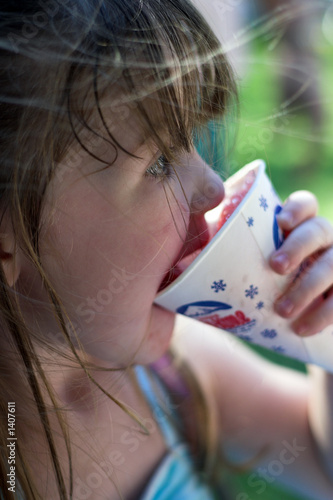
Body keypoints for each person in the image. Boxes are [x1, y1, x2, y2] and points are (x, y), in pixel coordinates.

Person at [0, 1, 333, 499]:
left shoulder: (175, 371)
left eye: (194, 142)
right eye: (158, 164)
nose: (214, 187)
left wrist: (318, 335)